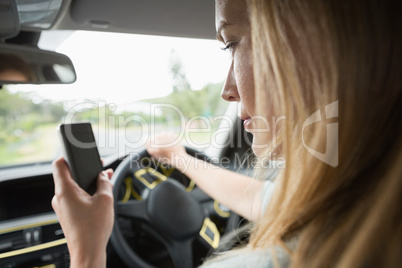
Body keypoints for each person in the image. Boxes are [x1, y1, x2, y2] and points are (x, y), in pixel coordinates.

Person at [51, 0, 402, 267]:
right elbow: (267, 199)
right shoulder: (351, 197)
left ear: (322, 48)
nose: (228, 90)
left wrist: (87, 246)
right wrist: (179, 159)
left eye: (231, 43)